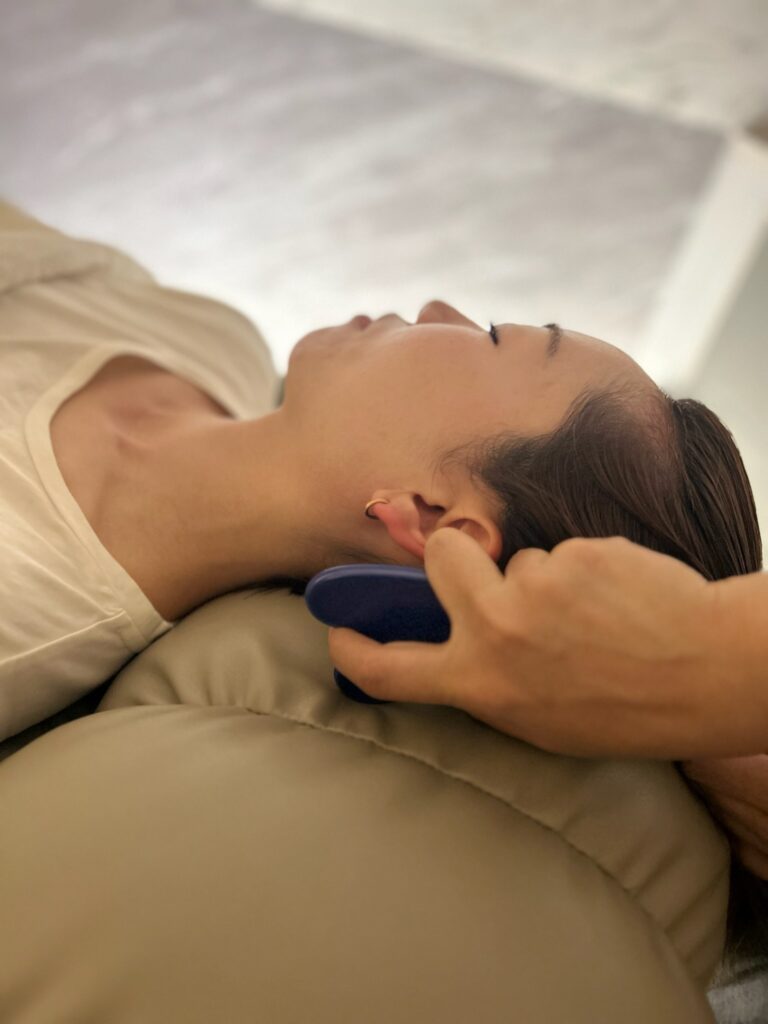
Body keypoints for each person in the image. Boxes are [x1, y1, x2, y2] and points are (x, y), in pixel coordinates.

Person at [0, 203, 763, 958]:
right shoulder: (211, 338)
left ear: (439, 525)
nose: (437, 307)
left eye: (492, 337)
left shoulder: (22, 612)